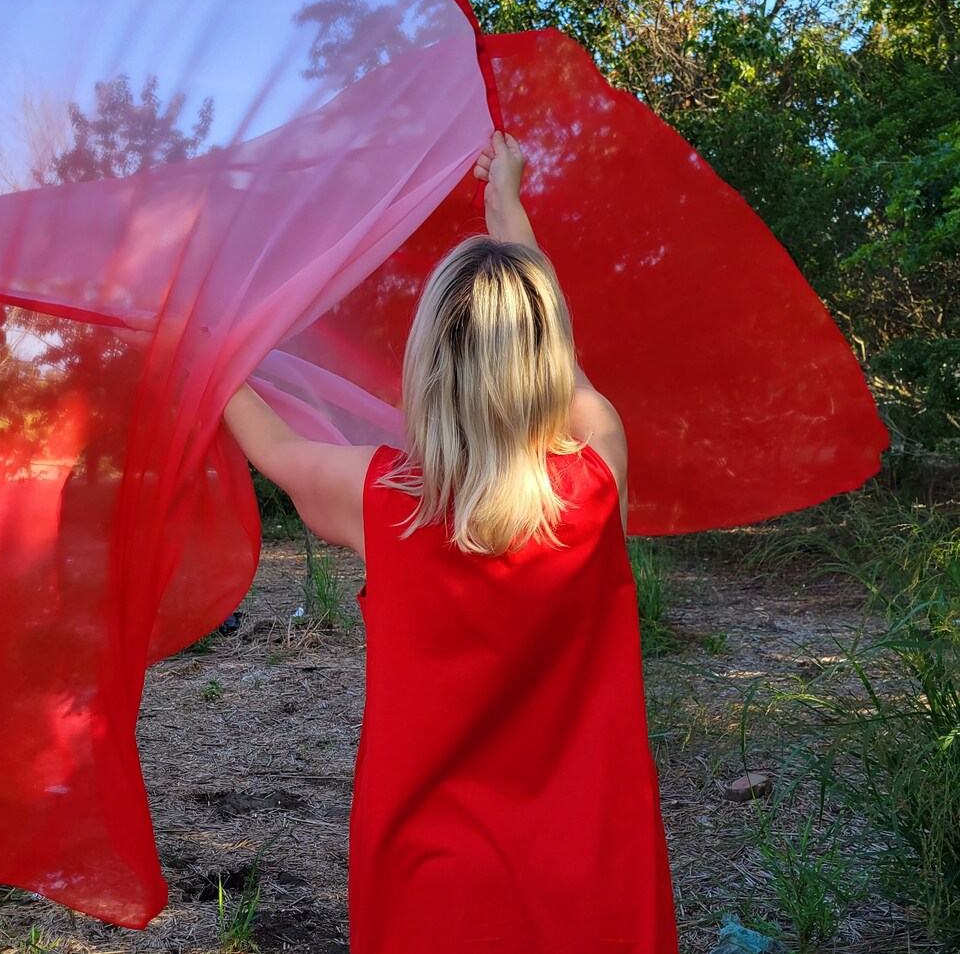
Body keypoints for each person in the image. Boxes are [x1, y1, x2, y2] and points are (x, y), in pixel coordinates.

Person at [223, 130, 680, 954]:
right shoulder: (596, 482)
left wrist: (205, 348)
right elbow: (568, 374)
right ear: (543, 360)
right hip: (588, 875)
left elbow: (274, 449)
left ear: (427, 366)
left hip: (429, 880)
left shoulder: (383, 499)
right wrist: (507, 206)